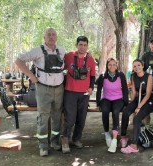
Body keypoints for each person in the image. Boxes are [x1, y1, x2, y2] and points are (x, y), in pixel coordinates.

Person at [15, 28, 66, 157]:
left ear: (57, 37)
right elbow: (18, 61)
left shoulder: (62, 50)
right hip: (43, 88)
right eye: (48, 34)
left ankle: (54, 142)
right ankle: (43, 145)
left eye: (53, 34)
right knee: (43, 117)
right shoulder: (37, 51)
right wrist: (31, 76)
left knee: (56, 116)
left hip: (59, 88)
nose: (51, 36)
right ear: (44, 37)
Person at [61, 36, 96, 153]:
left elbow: (92, 76)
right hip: (70, 91)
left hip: (84, 93)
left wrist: (91, 87)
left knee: (81, 118)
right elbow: (60, 68)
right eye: (80, 45)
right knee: (70, 118)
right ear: (77, 45)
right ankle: (65, 140)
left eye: (85, 45)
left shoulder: (90, 59)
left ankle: (76, 139)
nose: (83, 47)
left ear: (87, 46)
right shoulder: (69, 56)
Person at [120, 59, 153, 154]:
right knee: (125, 112)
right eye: (134, 66)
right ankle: (123, 136)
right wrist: (131, 90)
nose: (137, 68)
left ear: (143, 65)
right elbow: (134, 94)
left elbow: (148, 94)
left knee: (137, 118)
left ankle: (134, 145)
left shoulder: (149, 76)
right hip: (138, 98)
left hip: (148, 100)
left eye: (138, 65)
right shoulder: (133, 76)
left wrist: (139, 107)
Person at [96, 58, 129, 153]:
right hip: (106, 98)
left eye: (114, 64)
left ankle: (114, 139)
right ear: (107, 66)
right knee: (105, 111)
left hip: (118, 99)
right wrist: (98, 103)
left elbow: (125, 90)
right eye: (110, 64)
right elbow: (98, 90)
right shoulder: (103, 76)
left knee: (115, 112)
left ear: (117, 66)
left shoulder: (121, 75)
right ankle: (107, 134)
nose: (112, 66)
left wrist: (126, 102)